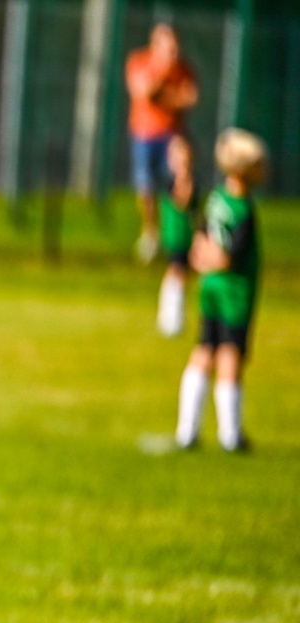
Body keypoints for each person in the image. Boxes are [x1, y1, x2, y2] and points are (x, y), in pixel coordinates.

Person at [174, 129, 265, 452]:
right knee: (229, 355)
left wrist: (203, 262)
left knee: (203, 349)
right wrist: (218, 262)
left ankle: (187, 430)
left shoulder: (214, 199)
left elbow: (199, 239)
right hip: (234, 293)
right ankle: (230, 434)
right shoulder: (243, 209)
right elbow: (232, 256)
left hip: (208, 287)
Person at [126, 24, 199, 264]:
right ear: (155, 45)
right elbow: (144, 93)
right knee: (145, 186)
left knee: (177, 182)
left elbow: (190, 98)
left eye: (175, 47)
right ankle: (151, 232)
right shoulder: (139, 61)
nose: (173, 53)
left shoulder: (184, 68)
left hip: (172, 134)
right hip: (144, 133)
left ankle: (179, 236)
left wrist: (163, 98)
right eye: (169, 47)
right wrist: (163, 76)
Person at [156, 133, 198, 337]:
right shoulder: (171, 179)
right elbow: (182, 200)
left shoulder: (192, 180)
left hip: (186, 234)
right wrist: (183, 175)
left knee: (181, 273)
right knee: (177, 272)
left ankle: (172, 317)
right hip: (175, 234)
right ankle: (170, 319)